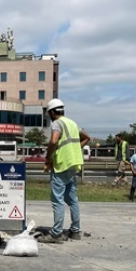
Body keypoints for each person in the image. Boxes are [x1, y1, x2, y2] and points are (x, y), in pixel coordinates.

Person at [38, 99, 90, 244]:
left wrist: (48, 158)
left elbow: (54, 141)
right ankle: (75, 231)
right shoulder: (72, 123)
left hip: (61, 164)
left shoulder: (57, 123)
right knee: (72, 199)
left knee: (57, 200)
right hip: (73, 164)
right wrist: (74, 148)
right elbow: (87, 138)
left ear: (52, 112)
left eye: (49, 114)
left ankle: (56, 234)